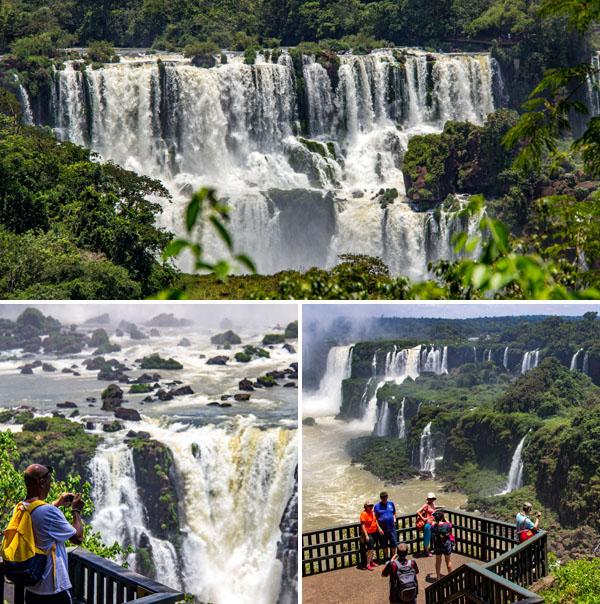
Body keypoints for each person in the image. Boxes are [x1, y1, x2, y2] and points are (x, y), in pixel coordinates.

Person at [22, 464, 84, 604]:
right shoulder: (49, 512)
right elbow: (78, 538)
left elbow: (40, 518)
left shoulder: (20, 508)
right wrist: (76, 511)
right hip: (53, 590)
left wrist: (56, 504)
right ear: (42, 483)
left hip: (32, 588)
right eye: (50, 481)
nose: (51, 485)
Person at [374, 491, 397, 561]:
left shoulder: (391, 504)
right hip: (383, 529)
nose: (384, 498)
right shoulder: (377, 506)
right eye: (383, 497)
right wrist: (379, 528)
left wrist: (394, 519)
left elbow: (394, 512)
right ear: (380, 498)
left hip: (392, 528)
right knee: (384, 544)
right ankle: (386, 557)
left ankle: (393, 557)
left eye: (385, 496)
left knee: (393, 543)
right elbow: (375, 518)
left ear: (387, 497)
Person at [360, 500, 382, 570]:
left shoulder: (372, 512)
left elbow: (375, 521)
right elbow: (362, 525)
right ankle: (368, 563)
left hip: (374, 532)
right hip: (368, 533)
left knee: (373, 548)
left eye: (372, 505)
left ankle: (372, 561)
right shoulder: (364, 514)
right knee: (370, 549)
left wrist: (379, 529)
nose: (371, 507)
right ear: (366, 506)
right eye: (369, 506)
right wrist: (366, 535)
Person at [431, 510, 453, 580]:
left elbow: (432, 525)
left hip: (437, 545)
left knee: (438, 561)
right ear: (442, 517)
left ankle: (438, 577)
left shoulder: (433, 527)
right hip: (446, 545)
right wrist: (445, 518)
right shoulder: (447, 525)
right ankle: (450, 576)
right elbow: (450, 524)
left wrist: (433, 520)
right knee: (448, 560)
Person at [416, 492, 436, 556]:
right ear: (428, 499)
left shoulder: (433, 504)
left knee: (434, 537)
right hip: (427, 524)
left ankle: (434, 549)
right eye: (430, 499)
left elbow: (434, 509)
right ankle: (427, 552)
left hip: (433, 523)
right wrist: (423, 518)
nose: (431, 500)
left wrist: (441, 506)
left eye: (432, 499)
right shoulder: (426, 505)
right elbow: (418, 511)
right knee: (427, 538)